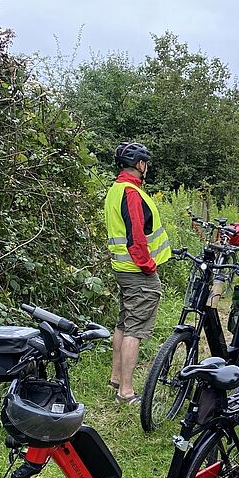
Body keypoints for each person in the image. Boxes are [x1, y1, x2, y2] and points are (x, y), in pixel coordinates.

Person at [105, 141, 172, 403]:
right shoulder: (131, 193)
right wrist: (148, 266)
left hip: (123, 269)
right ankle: (126, 391)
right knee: (135, 329)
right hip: (137, 271)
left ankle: (116, 379)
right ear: (140, 164)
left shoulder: (116, 189)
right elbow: (136, 238)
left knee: (124, 323)